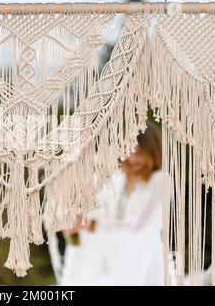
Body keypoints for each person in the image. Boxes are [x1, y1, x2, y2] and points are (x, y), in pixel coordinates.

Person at [56, 121, 165, 286]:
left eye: (140, 154)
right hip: (118, 259)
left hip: (144, 256)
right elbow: (100, 209)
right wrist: (78, 219)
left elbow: (139, 224)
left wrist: (92, 222)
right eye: (131, 152)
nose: (134, 159)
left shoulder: (159, 181)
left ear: (152, 153)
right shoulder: (119, 180)